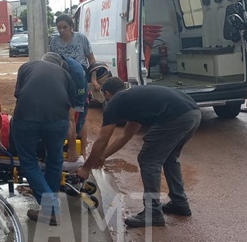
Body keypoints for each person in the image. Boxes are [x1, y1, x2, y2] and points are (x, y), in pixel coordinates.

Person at [76, 78, 202, 228]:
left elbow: (102, 140)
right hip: (193, 113)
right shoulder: (134, 100)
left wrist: (86, 168)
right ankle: (179, 203)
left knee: (148, 160)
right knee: (170, 158)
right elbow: (126, 135)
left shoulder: (115, 102)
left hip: (176, 117)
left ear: (107, 93)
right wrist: (102, 157)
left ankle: (153, 213)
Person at [13, 52, 79, 225]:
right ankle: (49, 210)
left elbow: (19, 95)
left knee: (28, 161)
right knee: (54, 159)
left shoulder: (27, 66)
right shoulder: (65, 74)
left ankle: (51, 208)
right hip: (57, 120)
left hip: (26, 117)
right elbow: (70, 109)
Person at [51, 14, 95, 154]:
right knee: (63, 114)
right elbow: (52, 61)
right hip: (62, 79)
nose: (62, 30)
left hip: (79, 78)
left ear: (71, 27)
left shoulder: (81, 38)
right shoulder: (54, 42)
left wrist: (93, 78)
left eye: (65, 27)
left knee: (80, 115)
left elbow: (91, 60)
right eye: (59, 28)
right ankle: (65, 146)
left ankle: (82, 152)